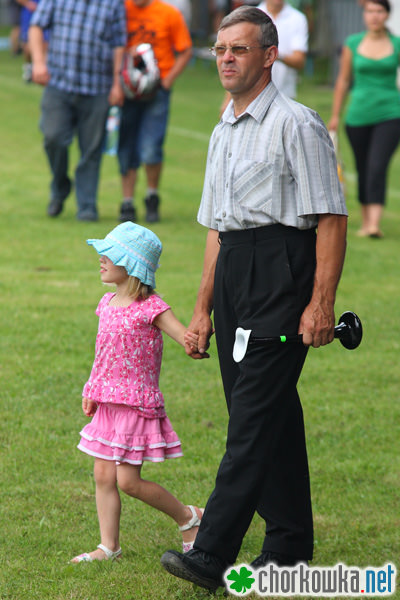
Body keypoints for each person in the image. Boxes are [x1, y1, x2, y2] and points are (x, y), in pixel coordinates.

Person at [160, 5, 347, 592]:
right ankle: (289, 546)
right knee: (270, 415)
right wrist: (201, 309)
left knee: (249, 421)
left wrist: (320, 303)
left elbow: (331, 219)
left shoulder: (297, 123)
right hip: (237, 273)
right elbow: (217, 228)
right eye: (219, 50)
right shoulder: (223, 128)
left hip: (283, 271)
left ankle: (211, 553)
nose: (225, 60)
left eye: (238, 50)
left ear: (269, 55)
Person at [71, 222, 203, 563]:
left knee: (128, 481)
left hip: (135, 403)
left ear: (131, 264)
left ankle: (188, 518)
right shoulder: (106, 302)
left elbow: (183, 337)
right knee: (102, 474)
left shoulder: (152, 307)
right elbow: (102, 352)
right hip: (107, 402)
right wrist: (92, 388)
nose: (100, 259)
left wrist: (194, 342)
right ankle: (108, 547)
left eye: (109, 254)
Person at [29, 0, 126, 222]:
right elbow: (36, 25)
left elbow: (118, 44)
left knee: (91, 150)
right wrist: (38, 62)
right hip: (59, 84)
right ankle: (60, 186)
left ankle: (87, 207)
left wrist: (116, 83)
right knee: (53, 138)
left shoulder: (113, 4)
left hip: (97, 89)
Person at [328, 0, 400, 239]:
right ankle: (366, 218)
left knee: (377, 166)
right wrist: (336, 115)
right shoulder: (353, 43)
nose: (374, 16)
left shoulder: (396, 44)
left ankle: (374, 224)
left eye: (379, 11)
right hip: (358, 115)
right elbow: (344, 81)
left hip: (391, 113)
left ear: (387, 15)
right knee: (362, 166)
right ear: (364, 14)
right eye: (370, 11)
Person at [117, 0, 192, 224]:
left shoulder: (169, 13)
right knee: (126, 145)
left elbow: (185, 50)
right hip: (127, 90)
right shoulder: (121, 10)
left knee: (151, 146)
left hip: (156, 89)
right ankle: (127, 201)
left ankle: (151, 196)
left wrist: (168, 80)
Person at [257, 0, 308, 98]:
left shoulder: (298, 19)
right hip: (253, 91)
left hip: (285, 94)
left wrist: (274, 54)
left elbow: (299, 61)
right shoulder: (252, 16)